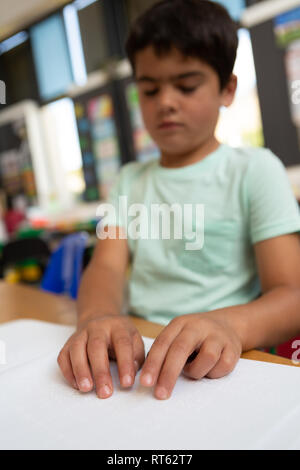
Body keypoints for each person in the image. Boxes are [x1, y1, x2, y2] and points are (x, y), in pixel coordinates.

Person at [57, 0, 300, 400]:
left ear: (227, 89)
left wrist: (230, 325)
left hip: (220, 361)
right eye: (150, 90)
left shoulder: (255, 169)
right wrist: (97, 317)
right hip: (139, 355)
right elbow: (106, 269)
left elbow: (291, 294)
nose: (166, 102)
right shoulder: (129, 181)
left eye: (186, 86)